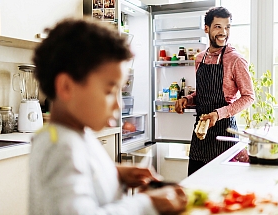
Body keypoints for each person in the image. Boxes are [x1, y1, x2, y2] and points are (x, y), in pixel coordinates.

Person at [29, 18, 187, 215]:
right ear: (67, 87)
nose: (119, 104)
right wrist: (147, 203)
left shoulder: (76, 134)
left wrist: (115, 173)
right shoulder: (59, 147)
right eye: (109, 91)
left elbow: (81, 173)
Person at [175, 7, 255, 176]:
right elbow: (202, 94)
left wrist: (218, 114)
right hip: (200, 135)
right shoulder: (199, 58)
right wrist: (188, 99)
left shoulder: (236, 60)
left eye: (227, 27)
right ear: (207, 28)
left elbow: (248, 97)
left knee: (223, 191)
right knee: (194, 187)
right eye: (218, 26)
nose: (223, 32)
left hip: (224, 136)